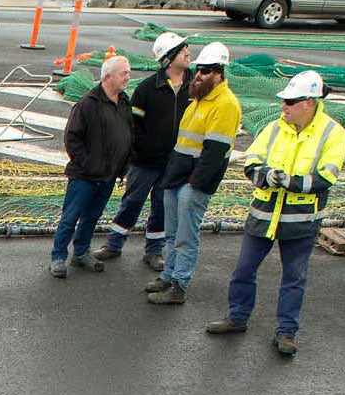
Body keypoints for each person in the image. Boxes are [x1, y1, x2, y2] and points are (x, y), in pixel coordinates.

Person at [207, 71, 345, 356]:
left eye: (291, 101)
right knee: (243, 270)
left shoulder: (333, 133)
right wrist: (266, 175)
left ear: (310, 102)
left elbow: (327, 177)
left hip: (300, 222)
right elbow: (252, 161)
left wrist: (291, 182)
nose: (284, 106)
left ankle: (286, 332)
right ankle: (237, 316)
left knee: (294, 278)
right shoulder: (273, 128)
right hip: (264, 214)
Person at [147, 41, 242, 306]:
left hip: (193, 183)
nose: (199, 75)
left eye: (208, 70)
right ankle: (168, 275)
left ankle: (179, 284)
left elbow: (214, 153)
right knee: (173, 233)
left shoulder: (225, 105)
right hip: (177, 178)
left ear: (220, 73)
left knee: (186, 237)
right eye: (199, 69)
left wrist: (194, 184)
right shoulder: (200, 100)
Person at [95, 30, 189, 271]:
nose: (187, 53)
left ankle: (154, 251)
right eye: (181, 50)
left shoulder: (194, 87)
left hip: (174, 163)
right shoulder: (148, 89)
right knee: (132, 201)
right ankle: (114, 244)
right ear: (168, 58)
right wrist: (139, 152)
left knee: (162, 207)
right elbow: (133, 125)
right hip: (145, 162)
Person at [51, 53, 132, 278]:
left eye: (128, 73)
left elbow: (128, 133)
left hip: (108, 175)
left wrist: (123, 164)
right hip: (85, 176)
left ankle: (81, 252)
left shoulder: (124, 102)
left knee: (92, 216)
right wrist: (87, 164)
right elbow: (72, 139)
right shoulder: (88, 104)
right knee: (71, 216)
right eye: (123, 73)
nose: (128, 77)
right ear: (108, 77)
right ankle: (58, 257)